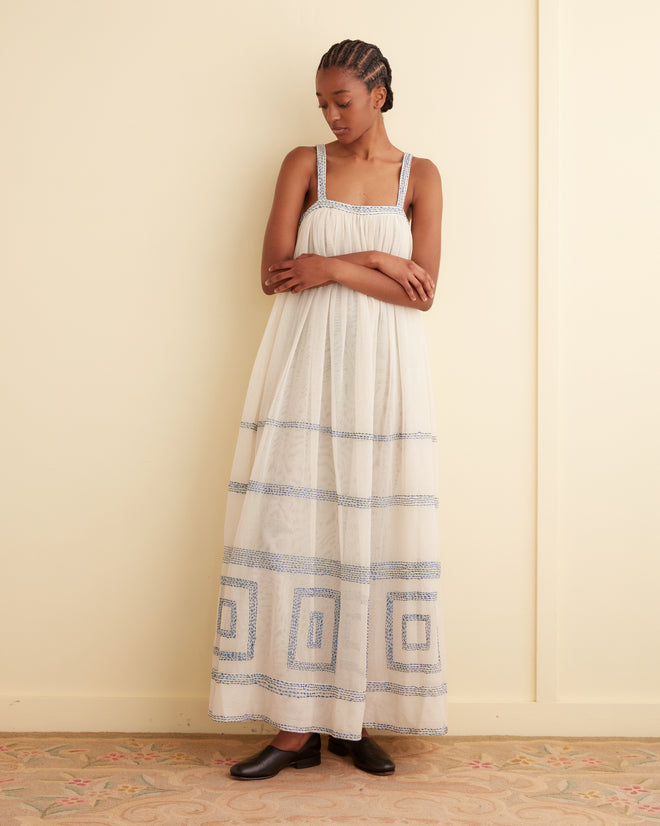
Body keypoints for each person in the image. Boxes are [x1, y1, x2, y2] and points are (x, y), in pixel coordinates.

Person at [209, 39, 448, 780]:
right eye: (323, 103)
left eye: (342, 99)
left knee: (372, 533)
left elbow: (422, 290)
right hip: (305, 367)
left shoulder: (422, 176)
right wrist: (375, 263)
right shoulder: (302, 165)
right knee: (294, 531)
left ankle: (351, 720)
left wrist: (346, 264)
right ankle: (293, 728)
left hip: (384, 376)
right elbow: (276, 272)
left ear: (379, 92)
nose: (331, 114)